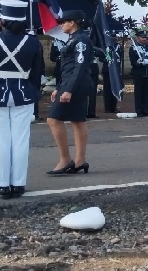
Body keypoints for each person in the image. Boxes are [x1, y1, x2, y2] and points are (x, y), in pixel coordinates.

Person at [0, 0, 43, 199]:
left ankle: (2, 185)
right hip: (24, 92)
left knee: (1, 141)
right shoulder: (33, 42)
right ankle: (19, 184)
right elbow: (36, 74)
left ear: (2, 21)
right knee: (20, 140)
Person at [46, 10, 94, 175]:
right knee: (77, 120)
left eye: (63, 22)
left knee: (53, 119)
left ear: (72, 22)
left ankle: (65, 159)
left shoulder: (81, 40)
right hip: (70, 83)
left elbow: (79, 67)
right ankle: (80, 161)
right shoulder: (73, 39)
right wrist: (59, 87)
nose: (61, 24)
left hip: (76, 85)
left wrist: (69, 90)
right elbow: (67, 67)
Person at [129, 31, 148, 117]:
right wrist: (140, 63)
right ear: (137, 38)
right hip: (139, 72)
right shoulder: (133, 48)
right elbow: (132, 61)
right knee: (139, 92)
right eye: (142, 37)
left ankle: (145, 110)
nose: (144, 39)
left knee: (147, 92)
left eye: (145, 37)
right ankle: (139, 110)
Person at [102, 33, 123, 113]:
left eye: (115, 36)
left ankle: (113, 107)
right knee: (107, 89)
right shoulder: (105, 46)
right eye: (112, 36)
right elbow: (102, 58)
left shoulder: (119, 46)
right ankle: (107, 107)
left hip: (116, 69)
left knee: (116, 87)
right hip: (107, 69)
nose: (114, 38)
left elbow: (120, 58)